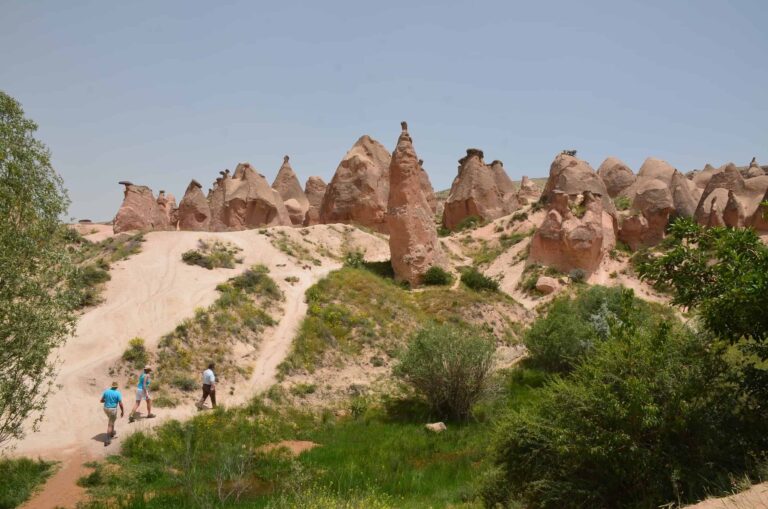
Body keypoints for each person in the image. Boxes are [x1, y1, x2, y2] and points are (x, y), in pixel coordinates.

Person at [100, 381, 124, 446]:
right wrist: (122, 411)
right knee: (110, 424)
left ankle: (112, 433)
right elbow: (120, 404)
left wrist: (107, 400)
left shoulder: (106, 391)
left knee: (111, 420)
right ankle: (107, 439)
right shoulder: (118, 393)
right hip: (112, 409)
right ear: (116, 387)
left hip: (105, 409)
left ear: (112, 386)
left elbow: (101, 400)